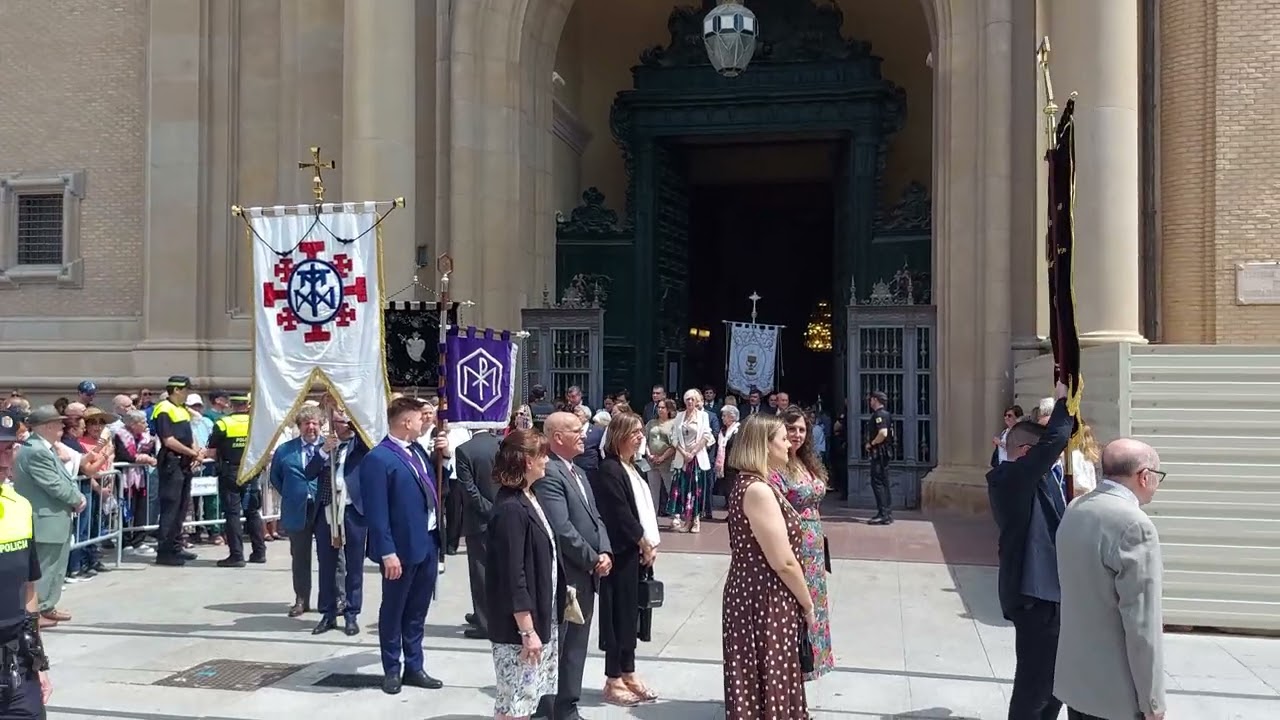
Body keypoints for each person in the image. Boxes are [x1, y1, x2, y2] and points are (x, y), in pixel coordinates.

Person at [1055, 438, 1167, 720]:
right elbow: (1142, 624)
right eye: (1158, 477)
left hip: (1076, 680)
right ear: (1144, 476)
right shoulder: (1135, 525)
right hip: (1116, 695)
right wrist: (1152, 701)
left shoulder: (1077, 507)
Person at [986, 381, 1072, 720]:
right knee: (1034, 686)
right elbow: (1055, 441)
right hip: (1033, 596)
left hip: (1055, 594)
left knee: (1055, 687)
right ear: (1027, 452)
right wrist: (1064, 402)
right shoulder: (1008, 479)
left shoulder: (1041, 478)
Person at [722, 414, 811, 719]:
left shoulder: (753, 483)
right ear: (764, 444)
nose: (789, 444)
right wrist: (808, 604)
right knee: (770, 675)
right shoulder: (758, 490)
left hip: (753, 592)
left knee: (761, 674)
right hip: (764, 597)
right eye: (783, 438)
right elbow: (783, 561)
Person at [360, 397, 447, 695]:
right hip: (400, 548)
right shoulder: (378, 458)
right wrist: (387, 552)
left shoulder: (419, 451)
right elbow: (376, 512)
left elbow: (435, 486)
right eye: (421, 418)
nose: (426, 422)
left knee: (417, 610)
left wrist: (442, 459)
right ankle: (392, 669)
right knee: (394, 610)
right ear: (406, 422)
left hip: (427, 543)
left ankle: (414, 665)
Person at [533, 411, 613, 720]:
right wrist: (593, 559)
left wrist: (604, 550)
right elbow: (562, 529)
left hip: (588, 572)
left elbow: (596, 518)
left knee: (577, 644)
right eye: (577, 430)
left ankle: (568, 705)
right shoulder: (550, 473)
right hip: (568, 575)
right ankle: (550, 709)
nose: (584, 435)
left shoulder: (578, 472)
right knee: (562, 645)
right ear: (557, 438)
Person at [486, 429, 565, 720]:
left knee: (526, 700)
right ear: (526, 462)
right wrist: (527, 630)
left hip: (538, 618)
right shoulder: (510, 509)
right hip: (518, 628)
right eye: (541, 455)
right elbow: (513, 573)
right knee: (515, 703)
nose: (546, 460)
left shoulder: (528, 496)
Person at [590, 412, 661, 707]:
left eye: (641, 432)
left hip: (637, 553)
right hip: (621, 552)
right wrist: (642, 541)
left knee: (632, 615)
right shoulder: (609, 469)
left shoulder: (634, 468)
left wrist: (649, 545)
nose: (640, 437)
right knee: (617, 615)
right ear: (619, 435)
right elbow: (620, 513)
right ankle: (613, 677)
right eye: (634, 432)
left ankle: (629, 671)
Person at [773, 406, 834, 680]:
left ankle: (813, 662)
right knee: (796, 603)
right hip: (792, 544)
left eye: (801, 430)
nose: (796, 434)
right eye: (791, 429)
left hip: (814, 547)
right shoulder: (775, 464)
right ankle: (793, 665)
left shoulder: (807, 462)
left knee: (815, 602)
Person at [12, 406, 86, 628]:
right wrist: (77, 499)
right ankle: (36, 612)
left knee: (55, 565)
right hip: (44, 517)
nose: (63, 427)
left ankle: (47, 606)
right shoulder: (36, 450)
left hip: (53, 516)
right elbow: (53, 484)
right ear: (46, 426)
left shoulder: (44, 448)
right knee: (44, 567)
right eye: (58, 423)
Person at [0, 418, 53, 716]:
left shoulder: (19, 506)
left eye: (9, 449)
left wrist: (38, 663)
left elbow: (28, 588)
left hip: (16, 663)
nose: (4, 460)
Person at [312, 408, 370, 636]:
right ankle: (328, 613)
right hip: (328, 508)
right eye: (339, 421)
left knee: (354, 566)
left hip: (352, 510)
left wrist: (355, 421)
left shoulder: (360, 446)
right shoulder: (325, 445)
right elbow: (309, 471)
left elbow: (370, 443)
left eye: (347, 421)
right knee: (327, 565)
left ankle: (351, 613)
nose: (344, 425)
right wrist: (325, 452)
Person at [269, 405, 329, 617]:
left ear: (321, 425)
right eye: (306, 423)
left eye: (314, 423)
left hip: (323, 508)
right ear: (299, 426)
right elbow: (275, 477)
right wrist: (293, 493)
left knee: (330, 556)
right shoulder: (286, 450)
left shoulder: (330, 447)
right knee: (300, 556)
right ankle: (301, 599)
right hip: (297, 509)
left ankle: (330, 600)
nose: (310, 427)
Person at [207, 393, 266, 567]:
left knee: (232, 514)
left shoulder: (223, 423)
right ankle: (259, 552)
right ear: (247, 405)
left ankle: (237, 555)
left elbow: (211, 450)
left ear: (232, 405)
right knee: (252, 512)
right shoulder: (256, 424)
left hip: (230, 472)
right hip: (251, 471)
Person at [455, 427, 501, 640]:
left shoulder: (464, 450)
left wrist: (488, 510)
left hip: (480, 520)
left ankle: (485, 623)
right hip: (505, 514)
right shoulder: (502, 445)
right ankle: (489, 614)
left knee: (480, 571)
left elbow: (469, 488)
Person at [151, 376, 203, 566]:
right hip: (171, 462)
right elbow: (168, 440)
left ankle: (175, 546)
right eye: (186, 390)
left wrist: (195, 451)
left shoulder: (181, 410)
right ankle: (164, 552)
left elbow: (189, 434)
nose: (187, 394)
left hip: (184, 462)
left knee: (181, 507)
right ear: (177, 390)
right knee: (171, 507)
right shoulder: (163, 409)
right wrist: (192, 453)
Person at [864, 390, 895, 525]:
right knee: (884, 482)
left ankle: (883, 514)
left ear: (876, 400)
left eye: (871, 399)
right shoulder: (887, 414)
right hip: (885, 453)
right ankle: (887, 512)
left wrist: (872, 443)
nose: (870, 402)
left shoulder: (879, 415)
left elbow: (883, 433)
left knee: (878, 483)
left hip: (879, 453)